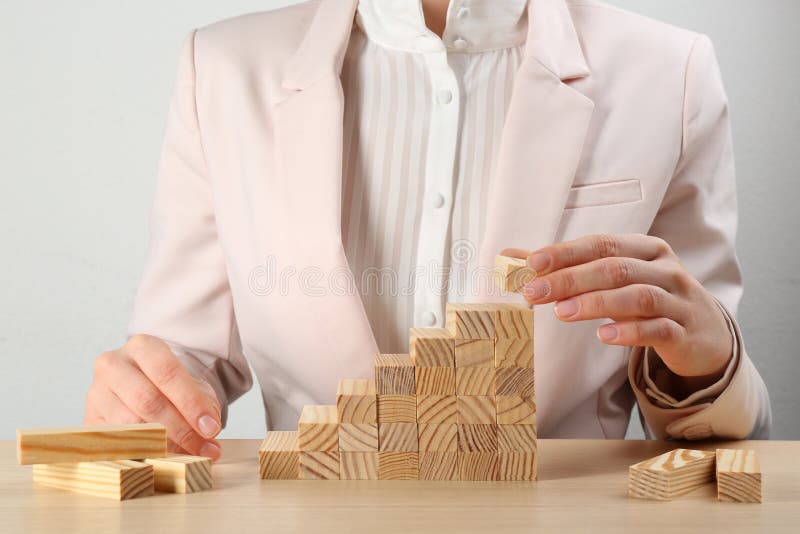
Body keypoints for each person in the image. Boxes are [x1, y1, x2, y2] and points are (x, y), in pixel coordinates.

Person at [83, 0, 771, 461]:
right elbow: (185, 357)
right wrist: (150, 393)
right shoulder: (224, 70)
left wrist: (709, 367)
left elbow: (705, 408)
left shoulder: (670, 74)